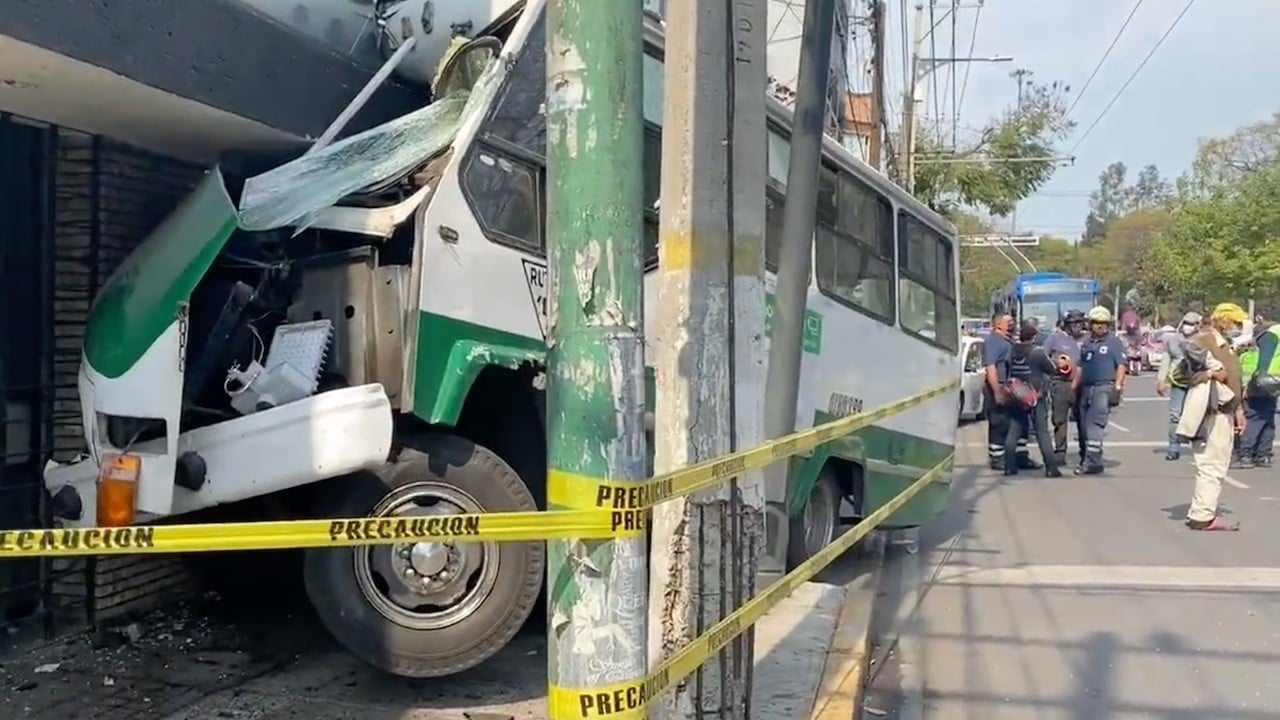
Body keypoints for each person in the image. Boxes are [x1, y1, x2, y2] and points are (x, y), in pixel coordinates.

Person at [1184, 303, 1247, 532]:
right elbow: (1182, 373)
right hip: (1211, 412)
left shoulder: (1226, 346)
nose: (1239, 327)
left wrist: (1238, 410)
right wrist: (1210, 373)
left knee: (1215, 464)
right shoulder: (1205, 342)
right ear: (1223, 321)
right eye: (1235, 323)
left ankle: (1200, 511)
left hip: (1225, 411)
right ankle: (1203, 515)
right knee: (1211, 465)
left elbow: (1233, 382)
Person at [1074, 306, 1127, 475]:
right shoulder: (1087, 343)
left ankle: (1093, 461)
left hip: (1104, 387)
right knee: (1083, 425)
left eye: (1103, 323)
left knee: (1095, 424)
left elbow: (1121, 365)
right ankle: (1088, 457)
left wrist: (1118, 387)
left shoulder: (1114, 342)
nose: (1099, 326)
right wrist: (1073, 387)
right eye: (1096, 323)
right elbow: (1080, 367)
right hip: (1086, 388)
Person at [1004, 321, 1061, 476]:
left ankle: (1009, 466)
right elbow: (1052, 369)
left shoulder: (1013, 351)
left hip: (1017, 396)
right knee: (1042, 431)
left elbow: (1009, 369)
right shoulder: (1037, 352)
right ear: (1034, 337)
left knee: (1014, 431)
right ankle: (1051, 468)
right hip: (1036, 396)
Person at [1155, 312, 1202, 461]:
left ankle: (1199, 446)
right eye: (1186, 323)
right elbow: (1166, 359)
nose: (1188, 327)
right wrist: (1161, 380)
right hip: (1178, 382)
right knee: (1175, 415)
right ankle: (1173, 448)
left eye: (1192, 323)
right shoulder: (1173, 340)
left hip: (1198, 382)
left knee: (1199, 415)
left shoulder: (1202, 340)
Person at [1236, 314, 1279, 468]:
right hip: (1274, 383)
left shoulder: (1263, 343)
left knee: (1253, 419)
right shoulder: (1276, 340)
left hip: (1259, 385)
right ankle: (1263, 455)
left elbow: (1259, 368)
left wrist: (1248, 388)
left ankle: (1246, 455)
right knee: (1268, 420)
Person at [1044, 309, 1085, 468]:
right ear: (1066, 324)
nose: (1077, 326)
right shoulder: (1054, 339)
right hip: (1061, 384)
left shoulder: (1087, 339)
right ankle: (1060, 452)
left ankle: (1085, 452)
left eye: (1080, 323)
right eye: (1074, 323)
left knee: (1083, 421)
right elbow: (1044, 357)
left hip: (1082, 384)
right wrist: (1056, 362)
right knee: (1059, 420)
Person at [982, 312, 1014, 470]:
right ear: (999, 324)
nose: (1012, 324)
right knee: (998, 423)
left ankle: (1010, 456)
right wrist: (997, 391)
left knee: (1007, 423)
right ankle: (997, 459)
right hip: (998, 387)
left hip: (1007, 388)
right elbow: (990, 367)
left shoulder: (1006, 341)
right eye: (1009, 322)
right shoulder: (993, 341)